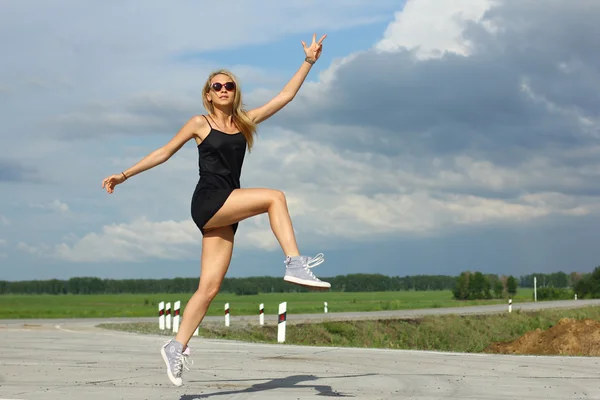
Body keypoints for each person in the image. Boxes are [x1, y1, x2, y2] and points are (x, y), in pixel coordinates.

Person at [101, 33, 330, 386]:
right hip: (209, 201)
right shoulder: (199, 123)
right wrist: (125, 174)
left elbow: (285, 97)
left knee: (209, 288)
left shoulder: (245, 122)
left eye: (229, 86)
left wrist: (309, 62)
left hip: (228, 208)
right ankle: (294, 263)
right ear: (208, 93)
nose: (224, 90)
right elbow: (164, 152)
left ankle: (176, 347)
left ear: (235, 92)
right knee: (275, 197)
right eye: (217, 86)